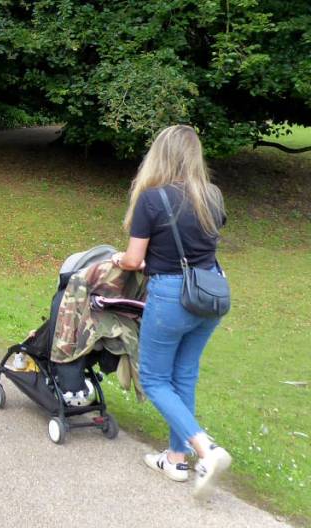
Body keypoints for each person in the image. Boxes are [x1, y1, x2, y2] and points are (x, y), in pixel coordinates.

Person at [112, 125, 231, 499]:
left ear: (160, 155)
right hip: (210, 295)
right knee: (184, 377)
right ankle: (176, 459)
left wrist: (120, 258)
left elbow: (134, 260)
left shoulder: (152, 199)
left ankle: (205, 450)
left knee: (154, 379)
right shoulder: (212, 195)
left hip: (171, 296)